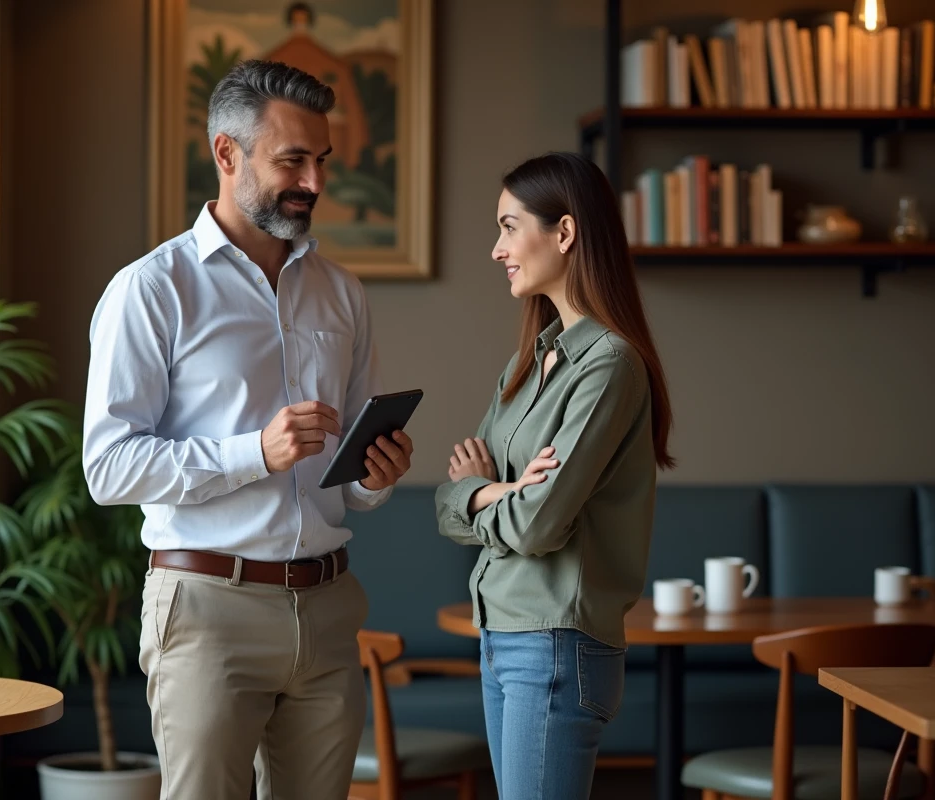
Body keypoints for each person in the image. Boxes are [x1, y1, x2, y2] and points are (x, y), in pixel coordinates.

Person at [82, 59, 413, 800]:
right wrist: (252, 453)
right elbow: (108, 468)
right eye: (291, 160)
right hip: (208, 611)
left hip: (329, 610)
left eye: (321, 160)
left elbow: (352, 480)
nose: (314, 182)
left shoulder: (343, 294)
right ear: (227, 154)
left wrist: (374, 473)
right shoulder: (152, 289)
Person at [434, 151, 674, 798]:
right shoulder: (529, 364)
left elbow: (539, 524)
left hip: (555, 641)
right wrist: (498, 490)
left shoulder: (609, 366)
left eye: (510, 227)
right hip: (501, 630)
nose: (496, 249)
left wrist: (492, 494)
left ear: (564, 233)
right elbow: (446, 501)